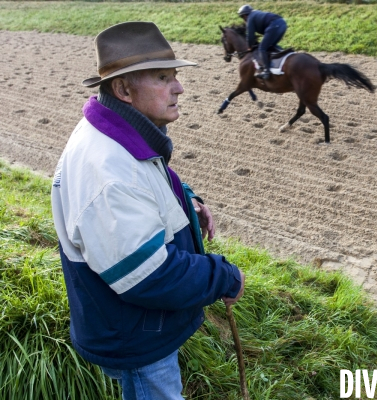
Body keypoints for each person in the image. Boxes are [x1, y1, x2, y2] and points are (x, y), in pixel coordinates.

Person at [51, 21, 245, 399]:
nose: (179, 87)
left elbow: (141, 187)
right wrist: (223, 275)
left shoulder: (116, 134)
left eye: (174, 75)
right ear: (124, 89)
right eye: (162, 77)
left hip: (134, 323)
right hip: (135, 333)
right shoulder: (109, 172)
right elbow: (147, 276)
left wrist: (185, 201)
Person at [238, 4, 287, 80]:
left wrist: (249, 47)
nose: (243, 19)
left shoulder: (250, 18)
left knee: (262, 48)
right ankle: (285, 56)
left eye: (242, 17)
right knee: (271, 45)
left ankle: (266, 71)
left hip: (274, 25)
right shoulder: (255, 14)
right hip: (282, 24)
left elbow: (250, 36)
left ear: (244, 15)